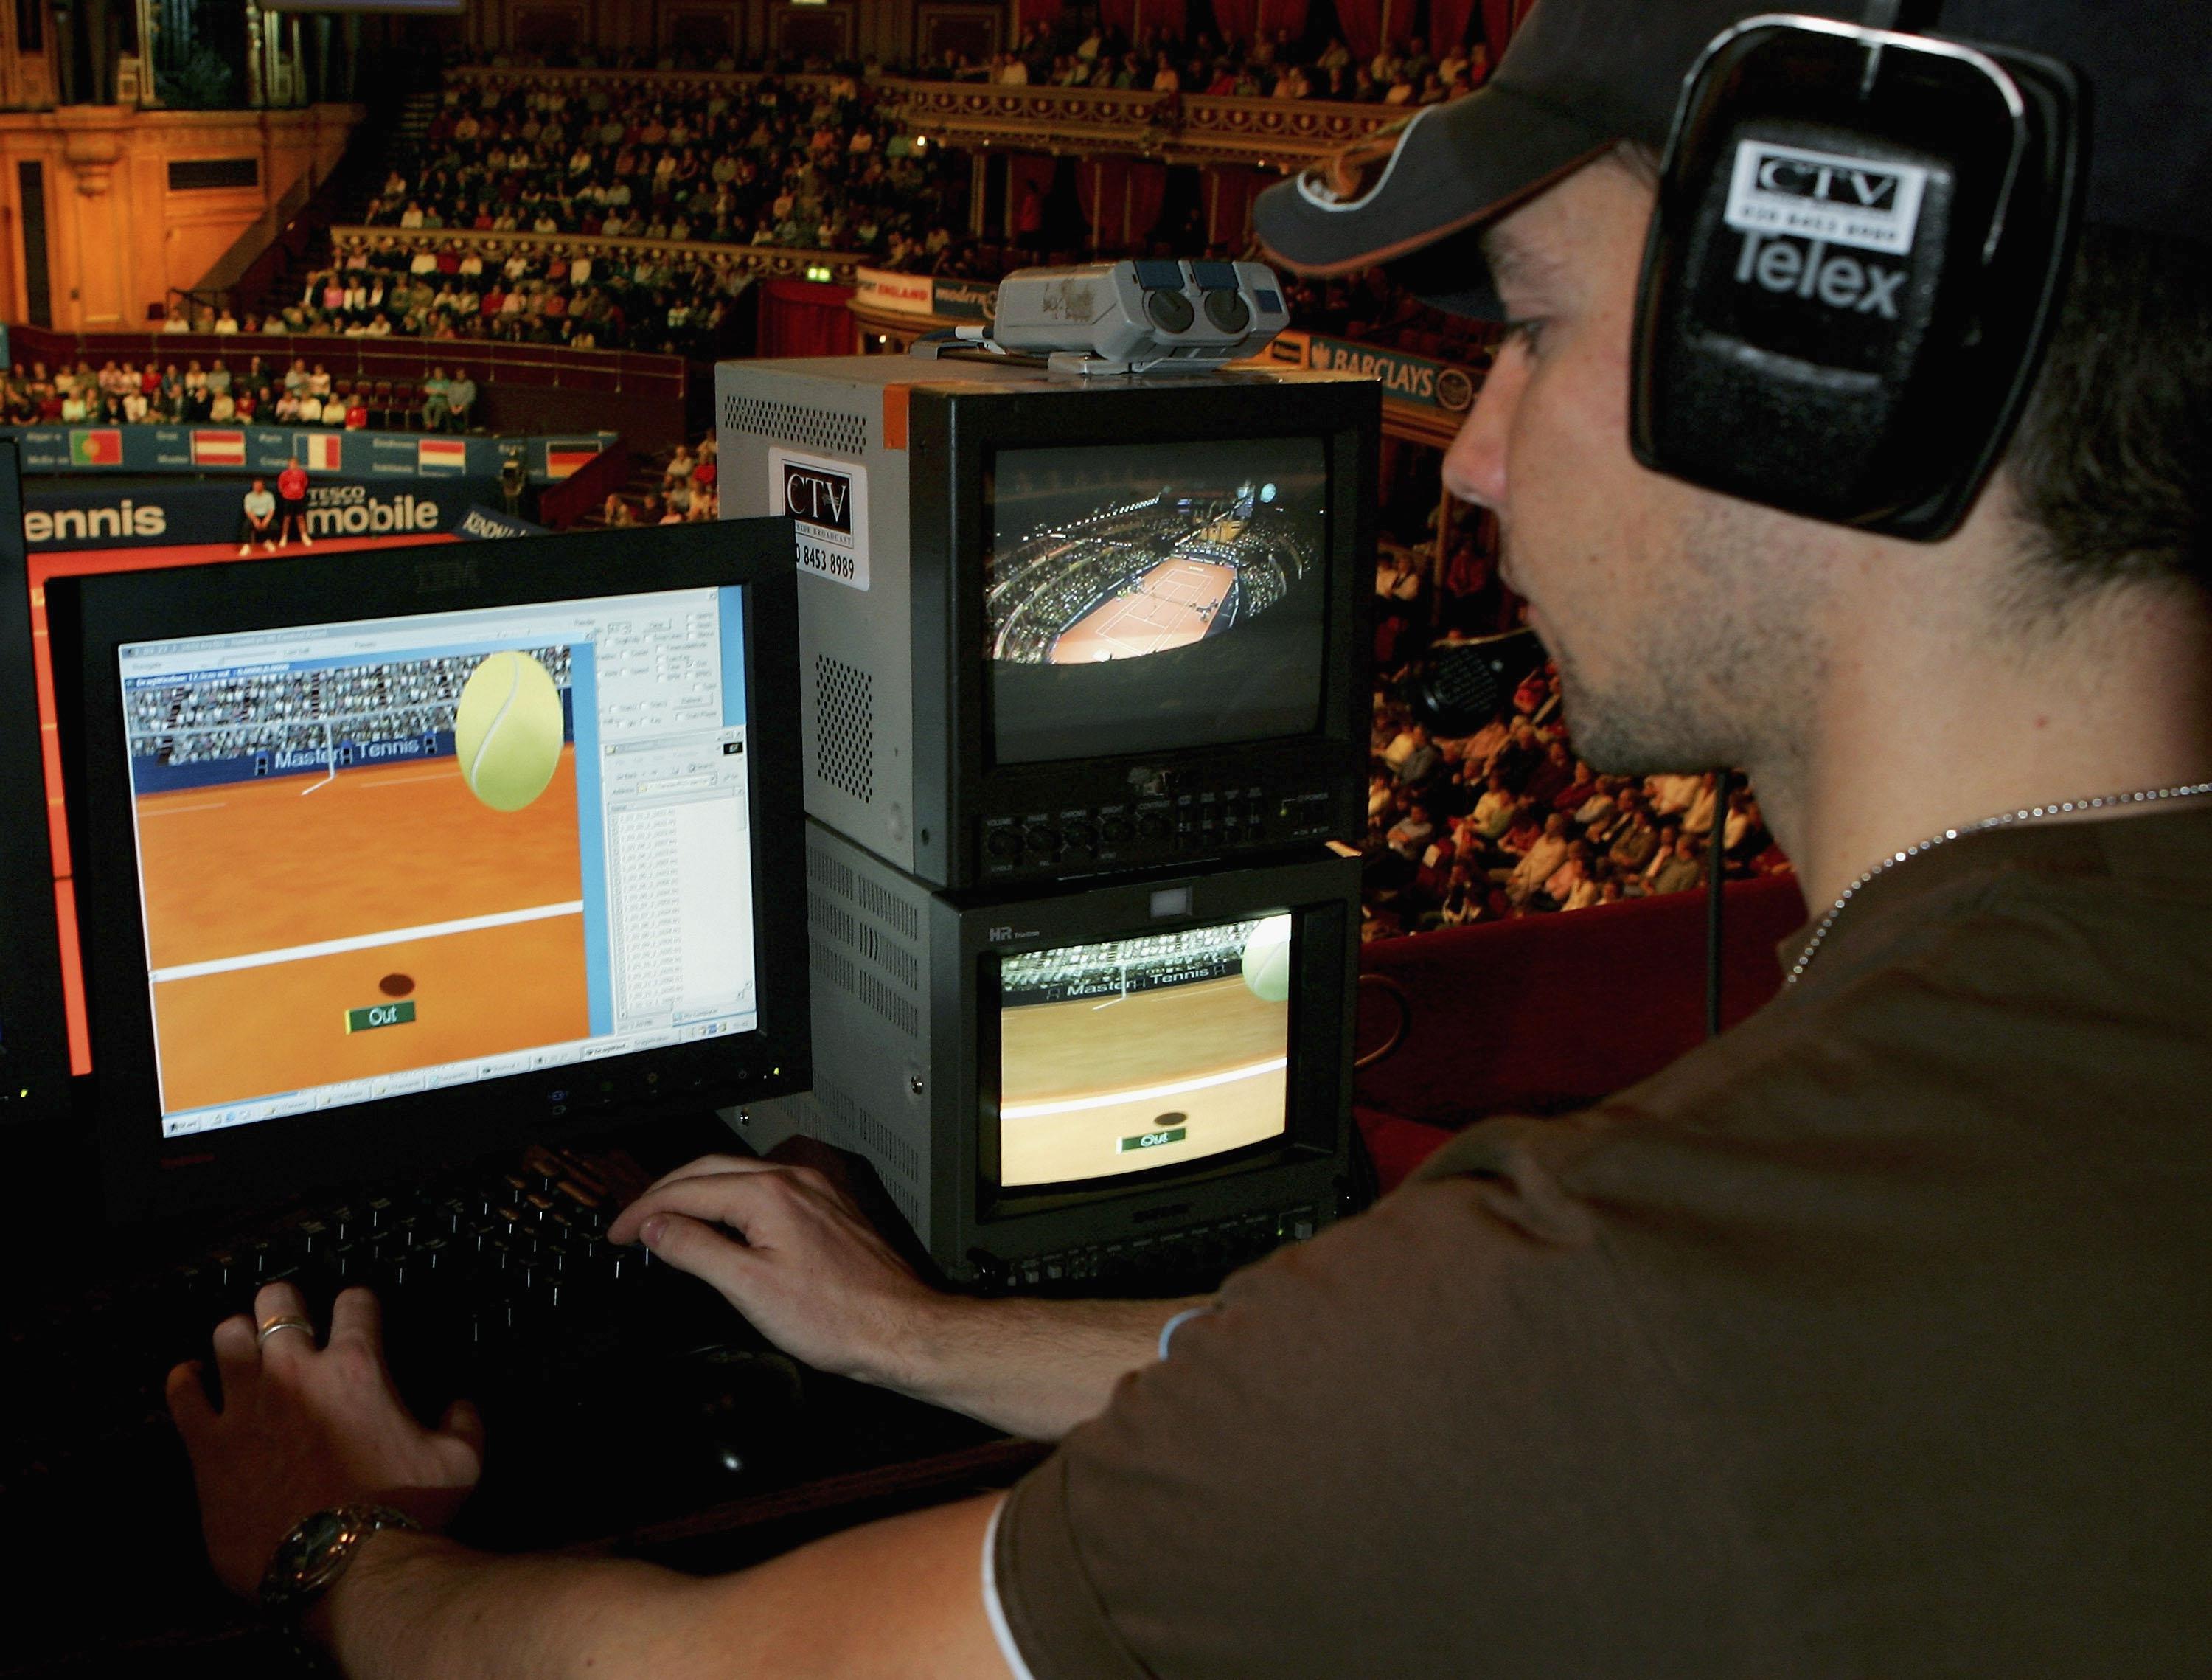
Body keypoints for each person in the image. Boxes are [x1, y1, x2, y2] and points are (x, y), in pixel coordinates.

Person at [159, 4, 2211, 1675]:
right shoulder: (1996, 1103)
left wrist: (336, 1539)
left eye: (1532, 321)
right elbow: (1409, 1383)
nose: (1475, 455)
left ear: (1820, 360)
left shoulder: (1628, 1296)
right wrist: (929, 1333)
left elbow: (719, 1669)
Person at [274, 459, 311, 547]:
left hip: (299, 499)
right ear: (288, 465)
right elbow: (280, 487)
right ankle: (284, 537)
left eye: (295, 464)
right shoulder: (284, 474)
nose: (293, 466)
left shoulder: (302, 474)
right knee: (287, 519)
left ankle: (304, 536)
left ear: (297, 465)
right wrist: (287, 494)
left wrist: (298, 492)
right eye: (291, 464)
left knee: (300, 518)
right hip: (288, 499)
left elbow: (304, 484)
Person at [237, 479, 276, 555]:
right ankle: (246, 546)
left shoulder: (269, 496)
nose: (257, 487)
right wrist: (255, 520)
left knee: (275, 526)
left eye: (259, 485)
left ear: (263, 486)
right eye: (255, 485)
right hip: (254, 517)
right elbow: (248, 511)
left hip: (265, 516)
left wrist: (266, 520)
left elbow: (271, 510)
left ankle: (268, 542)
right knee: (246, 526)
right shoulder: (249, 496)